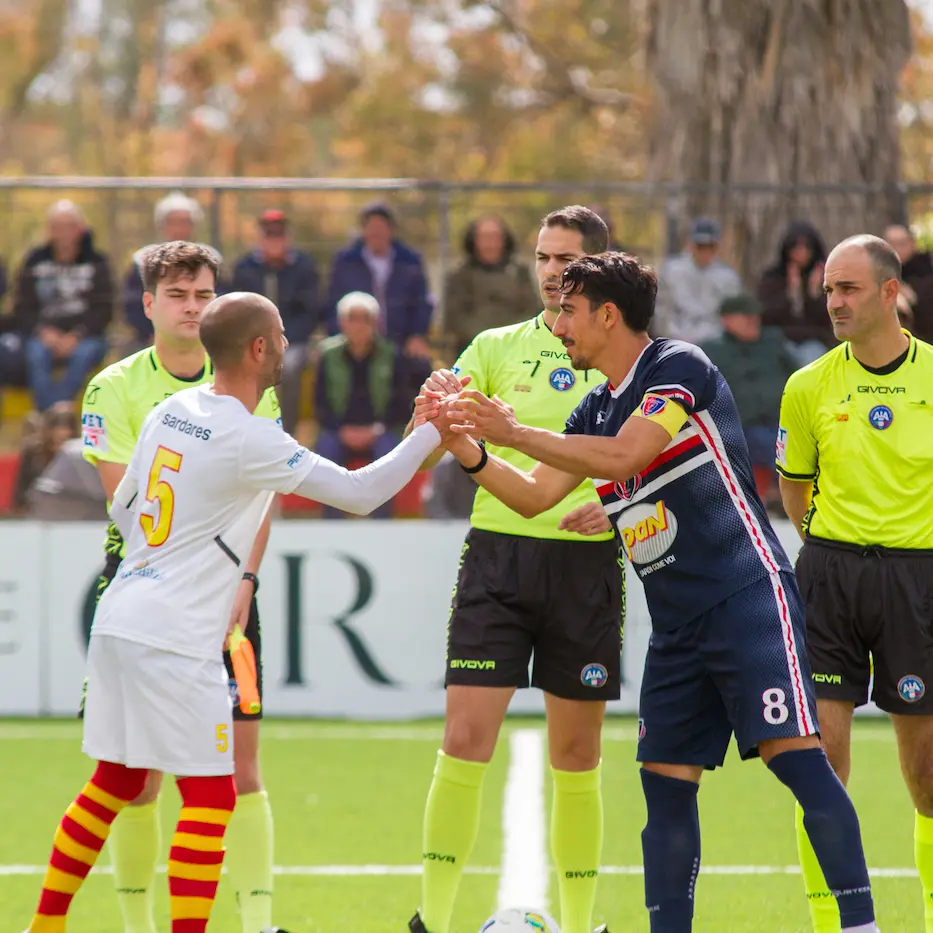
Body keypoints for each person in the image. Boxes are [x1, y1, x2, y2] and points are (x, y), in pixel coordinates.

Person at [439, 251, 880, 933]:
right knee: (664, 786)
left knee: (795, 760)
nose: (556, 323)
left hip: (745, 599)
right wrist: (467, 446)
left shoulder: (679, 366)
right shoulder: (593, 406)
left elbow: (625, 457)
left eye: (567, 309)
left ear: (607, 315)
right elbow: (532, 497)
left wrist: (513, 430)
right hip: (676, 627)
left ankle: (860, 927)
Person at [25, 290, 451, 933]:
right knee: (211, 796)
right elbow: (361, 494)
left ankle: (44, 926)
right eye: (280, 335)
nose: (286, 345)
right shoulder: (251, 436)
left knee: (114, 779)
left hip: (120, 615)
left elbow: (123, 510)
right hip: (174, 636)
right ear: (258, 349)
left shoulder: (172, 409)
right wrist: (432, 433)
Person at [405, 206, 622, 933]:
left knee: (576, 753)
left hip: (586, 569)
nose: (552, 271)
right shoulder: (493, 346)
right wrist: (430, 412)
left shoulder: (626, 362)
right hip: (496, 561)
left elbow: (654, 459)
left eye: (566, 258)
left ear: (596, 265)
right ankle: (431, 922)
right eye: (542, 256)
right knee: (464, 740)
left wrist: (621, 513)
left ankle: (583, 920)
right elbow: (431, 440)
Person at [80, 242, 282, 933]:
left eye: (202, 295)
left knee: (241, 765)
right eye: (177, 295)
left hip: (231, 597)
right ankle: (139, 926)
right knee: (137, 780)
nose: (192, 307)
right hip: (151, 596)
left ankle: (257, 922)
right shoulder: (115, 387)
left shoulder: (255, 375)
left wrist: (245, 581)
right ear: (148, 305)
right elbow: (126, 508)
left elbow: (266, 494)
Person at [777, 234, 933, 933]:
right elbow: (793, 487)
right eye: (828, 290)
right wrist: (829, 548)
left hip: (918, 581)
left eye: (845, 289)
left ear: (887, 292)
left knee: (926, 775)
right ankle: (831, 926)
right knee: (820, 767)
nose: (832, 301)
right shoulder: (805, 385)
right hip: (830, 578)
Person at [315, 291, 430, 518]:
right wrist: (341, 429)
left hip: (381, 429)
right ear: (342, 323)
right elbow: (320, 403)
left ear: (376, 322)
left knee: (389, 454)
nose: (359, 325)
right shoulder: (327, 355)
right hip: (339, 430)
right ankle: (330, 527)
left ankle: (381, 525)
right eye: (353, 318)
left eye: (365, 318)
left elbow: (401, 402)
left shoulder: (393, 354)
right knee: (325, 453)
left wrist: (376, 429)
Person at [14, 200, 113, 410]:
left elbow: (104, 309)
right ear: (49, 230)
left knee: (83, 355)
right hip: (42, 334)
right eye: (57, 227)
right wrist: (44, 332)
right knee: (36, 354)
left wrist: (77, 335)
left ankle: (56, 418)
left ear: (81, 229)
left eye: (70, 226)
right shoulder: (34, 261)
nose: (64, 233)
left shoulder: (97, 261)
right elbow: (23, 306)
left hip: (86, 336)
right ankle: (51, 419)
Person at [700, 293, 796, 506]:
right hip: (741, 425)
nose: (753, 321)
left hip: (781, 418)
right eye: (745, 316)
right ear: (727, 319)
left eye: (755, 315)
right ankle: (777, 495)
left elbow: (800, 374)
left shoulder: (773, 340)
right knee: (770, 444)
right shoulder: (711, 349)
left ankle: (781, 494)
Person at [231, 209, 320, 433]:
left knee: (287, 368)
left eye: (279, 234)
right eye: (269, 234)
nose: (274, 240)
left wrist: (282, 339)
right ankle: (244, 429)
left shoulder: (303, 267)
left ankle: (286, 432)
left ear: (287, 237)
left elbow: (311, 311)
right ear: (260, 237)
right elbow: (237, 309)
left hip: (293, 340)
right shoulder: (245, 268)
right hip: (251, 339)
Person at [326, 201, 433, 359]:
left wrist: (417, 335)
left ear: (391, 230)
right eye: (371, 227)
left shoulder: (409, 261)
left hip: (400, 341)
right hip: (354, 342)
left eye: (381, 227)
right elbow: (333, 302)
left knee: (420, 364)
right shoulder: (346, 262)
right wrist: (341, 335)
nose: (376, 233)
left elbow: (421, 301)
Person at [443, 215, 539, 356]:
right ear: (473, 241)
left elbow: (532, 311)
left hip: (516, 347)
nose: (490, 244)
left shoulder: (520, 273)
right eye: (485, 238)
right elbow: (455, 317)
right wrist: (487, 340)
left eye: (495, 237)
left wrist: (508, 336)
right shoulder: (459, 276)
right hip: (473, 349)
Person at [123, 192, 203, 347]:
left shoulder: (209, 260)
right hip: (150, 337)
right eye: (174, 222)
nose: (180, 229)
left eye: (185, 222)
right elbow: (133, 303)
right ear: (162, 225)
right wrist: (154, 333)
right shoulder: (143, 259)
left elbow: (219, 299)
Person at [757, 221, 834, 367]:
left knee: (811, 359)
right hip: (780, 339)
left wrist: (814, 293)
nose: (801, 252)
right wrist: (790, 292)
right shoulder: (773, 277)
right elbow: (765, 315)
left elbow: (828, 318)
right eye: (795, 247)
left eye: (806, 247)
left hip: (815, 340)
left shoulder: (825, 277)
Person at [653, 217, 741, 345]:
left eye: (710, 246)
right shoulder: (671, 271)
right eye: (700, 246)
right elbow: (662, 311)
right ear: (690, 244)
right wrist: (671, 338)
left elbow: (731, 316)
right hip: (676, 338)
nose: (705, 251)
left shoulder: (728, 277)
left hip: (715, 342)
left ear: (717, 246)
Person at [884, 223, 933, 343]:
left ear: (912, 243)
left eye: (901, 243)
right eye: (891, 244)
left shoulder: (926, 270)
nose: (896, 249)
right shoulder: (879, 271)